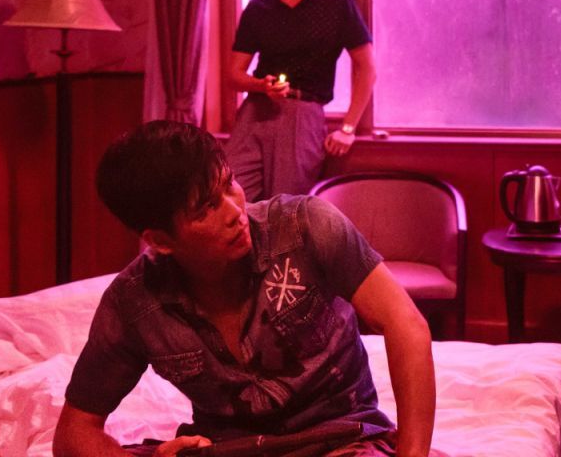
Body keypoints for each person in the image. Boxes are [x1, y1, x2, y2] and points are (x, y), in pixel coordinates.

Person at [53, 121, 435, 457]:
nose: (235, 212)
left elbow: (406, 324)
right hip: (226, 449)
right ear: (160, 241)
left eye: (229, 184)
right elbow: (74, 432)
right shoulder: (135, 301)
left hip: (342, 439)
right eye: (206, 208)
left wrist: (413, 453)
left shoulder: (305, 227)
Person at [225, 0, 376, 201]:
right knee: (229, 194)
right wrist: (261, 85)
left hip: (303, 112)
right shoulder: (258, 8)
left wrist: (348, 128)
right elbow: (233, 75)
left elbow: (367, 67)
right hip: (256, 110)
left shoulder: (336, 3)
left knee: (287, 206)